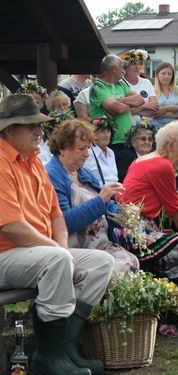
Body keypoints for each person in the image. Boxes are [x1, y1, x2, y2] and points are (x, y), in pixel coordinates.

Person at [0, 94, 114, 375]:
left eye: (40, 126)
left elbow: (56, 217)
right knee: (57, 260)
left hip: (36, 252)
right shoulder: (1, 163)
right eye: (32, 126)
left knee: (101, 263)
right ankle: (50, 360)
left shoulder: (34, 161)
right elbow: (11, 226)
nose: (40, 132)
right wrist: (60, 252)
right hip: (5, 254)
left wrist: (62, 249)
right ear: (10, 130)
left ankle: (64, 351)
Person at [118, 121, 178, 337]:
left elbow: (145, 193)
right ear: (171, 145)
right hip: (137, 234)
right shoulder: (162, 165)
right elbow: (176, 212)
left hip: (127, 230)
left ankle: (177, 318)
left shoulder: (144, 160)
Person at [45, 120, 139, 274]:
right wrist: (100, 200)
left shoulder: (83, 173)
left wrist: (125, 214)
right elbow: (64, 222)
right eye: (81, 149)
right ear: (62, 149)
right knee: (123, 266)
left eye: (88, 148)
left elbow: (108, 207)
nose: (87, 154)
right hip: (75, 249)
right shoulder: (52, 175)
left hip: (101, 245)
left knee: (132, 261)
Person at [89, 54, 144, 154]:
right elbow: (117, 109)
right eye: (122, 67)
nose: (124, 71)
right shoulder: (98, 87)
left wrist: (119, 101)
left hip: (128, 140)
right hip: (109, 142)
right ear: (114, 69)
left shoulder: (120, 84)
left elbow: (140, 99)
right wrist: (129, 104)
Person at [121, 49, 159, 122]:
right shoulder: (120, 84)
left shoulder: (146, 82)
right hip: (129, 127)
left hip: (148, 128)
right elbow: (121, 111)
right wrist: (144, 106)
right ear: (125, 66)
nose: (137, 67)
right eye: (134, 64)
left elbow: (155, 110)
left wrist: (134, 109)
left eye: (139, 63)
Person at [84, 115, 119, 184]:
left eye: (108, 131)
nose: (107, 135)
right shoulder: (88, 152)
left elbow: (114, 178)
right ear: (93, 134)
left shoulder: (111, 152)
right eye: (102, 131)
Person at [154, 61, 178, 128]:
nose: (166, 76)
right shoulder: (152, 91)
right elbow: (152, 114)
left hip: (177, 127)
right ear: (157, 74)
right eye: (163, 73)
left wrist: (161, 113)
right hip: (157, 128)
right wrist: (169, 108)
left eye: (169, 74)